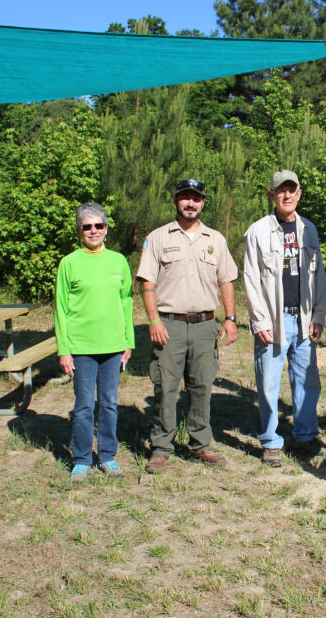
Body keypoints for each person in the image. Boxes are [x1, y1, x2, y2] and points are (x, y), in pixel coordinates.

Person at [136, 178, 239, 472]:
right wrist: (153, 319)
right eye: (185, 197)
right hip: (170, 325)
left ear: (203, 203)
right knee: (166, 387)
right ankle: (161, 447)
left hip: (206, 325)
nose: (190, 203)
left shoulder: (215, 239)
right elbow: (147, 281)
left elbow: (227, 280)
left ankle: (200, 444)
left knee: (202, 385)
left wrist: (230, 319)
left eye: (196, 198)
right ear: (175, 200)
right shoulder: (158, 238)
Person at [243, 170, 326, 467]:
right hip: (274, 320)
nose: (287, 195)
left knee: (307, 381)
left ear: (299, 194)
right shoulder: (257, 231)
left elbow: (319, 276)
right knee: (268, 382)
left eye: (292, 190)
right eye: (281, 191)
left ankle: (305, 436)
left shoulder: (309, 229)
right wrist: (259, 320)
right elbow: (251, 278)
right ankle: (270, 442)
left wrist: (318, 314)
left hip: (304, 319)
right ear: (272, 195)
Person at [55, 202, 135, 485]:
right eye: (87, 226)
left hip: (113, 346)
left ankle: (108, 456)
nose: (93, 231)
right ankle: (81, 459)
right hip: (82, 348)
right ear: (79, 230)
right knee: (84, 405)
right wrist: (64, 350)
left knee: (110, 403)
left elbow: (127, 302)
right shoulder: (69, 263)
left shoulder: (118, 261)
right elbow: (60, 309)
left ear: (106, 229)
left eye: (98, 226)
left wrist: (128, 341)